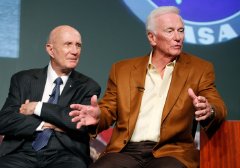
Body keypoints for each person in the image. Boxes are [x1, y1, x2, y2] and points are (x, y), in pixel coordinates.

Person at [69, 6, 227, 168]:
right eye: (170, 31)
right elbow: (109, 110)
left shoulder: (199, 69)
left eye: (181, 30)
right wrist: (98, 116)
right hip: (126, 151)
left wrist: (209, 110)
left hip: (172, 152)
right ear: (152, 38)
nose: (178, 37)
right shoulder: (123, 70)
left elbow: (219, 107)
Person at [0, 25, 101, 168]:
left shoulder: (88, 86)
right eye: (68, 44)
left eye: (78, 45)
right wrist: (43, 124)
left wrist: (37, 107)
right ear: (50, 50)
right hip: (22, 153)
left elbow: (77, 123)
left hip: (66, 155)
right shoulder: (23, 79)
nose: (75, 51)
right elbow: (4, 120)